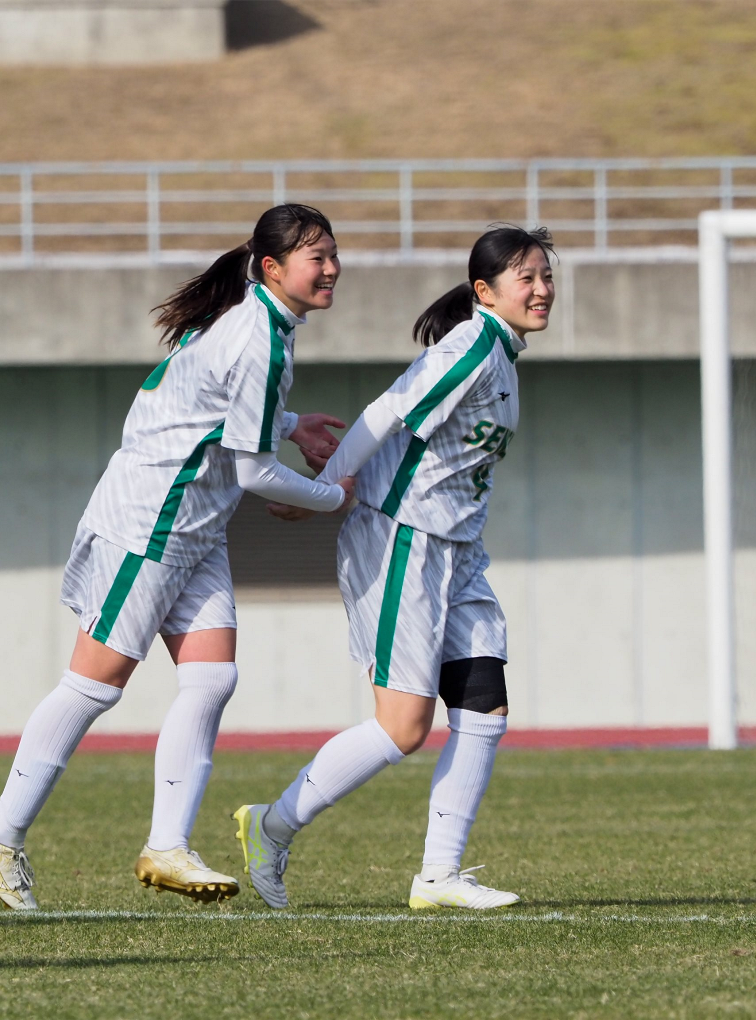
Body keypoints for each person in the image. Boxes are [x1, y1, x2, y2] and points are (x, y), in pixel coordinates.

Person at [0, 204, 356, 911]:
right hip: (148, 520)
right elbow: (253, 473)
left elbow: (207, 406)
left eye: (332, 254)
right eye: (315, 257)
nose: (330, 268)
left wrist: (294, 423)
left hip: (194, 527)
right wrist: (334, 497)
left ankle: (167, 846)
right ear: (272, 268)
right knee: (97, 682)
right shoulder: (257, 334)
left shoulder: (256, 319)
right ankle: (3, 827)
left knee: (212, 678)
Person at [232, 224, 555, 910]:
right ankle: (272, 824)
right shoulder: (472, 346)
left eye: (546, 276)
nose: (541, 289)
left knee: (484, 708)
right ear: (484, 291)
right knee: (403, 728)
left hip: (456, 550)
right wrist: (327, 495)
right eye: (525, 277)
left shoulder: (501, 357)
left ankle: (438, 877)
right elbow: (389, 412)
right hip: (401, 537)